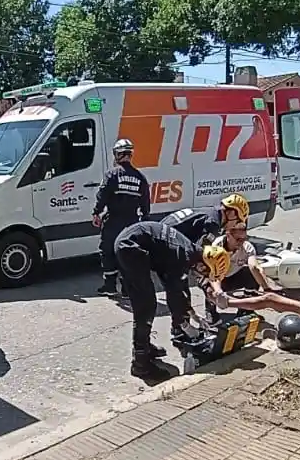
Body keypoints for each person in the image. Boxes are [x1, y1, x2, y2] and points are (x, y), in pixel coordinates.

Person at [114, 220, 210, 379]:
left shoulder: (189, 252)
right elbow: (174, 295)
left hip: (132, 242)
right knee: (146, 306)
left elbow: (177, 290)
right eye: (205, 273)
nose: (200, 277)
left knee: (146, 303)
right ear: (202, 265)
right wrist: (185, 326)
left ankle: (144, 347)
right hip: (131, 247)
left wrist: (192, 314)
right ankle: (140, 364)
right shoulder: (182, 257)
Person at [92, 138, 150, 296]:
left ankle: (110, 286)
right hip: (131, 222)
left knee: (108, 252)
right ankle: (126, 289)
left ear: (117, 154)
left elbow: (102, 196)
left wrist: (96, 212)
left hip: (113, 221)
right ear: (130, 155)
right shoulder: (140, 178)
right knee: (126, 254)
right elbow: (145, 205)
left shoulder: (112, 175)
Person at [160, 193, 251, 244]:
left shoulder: (209, 212)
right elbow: (203, 253)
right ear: (232, 213)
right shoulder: (212, 224)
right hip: (162, 243)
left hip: (159, 233)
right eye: (237, 221)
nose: (235, 226)